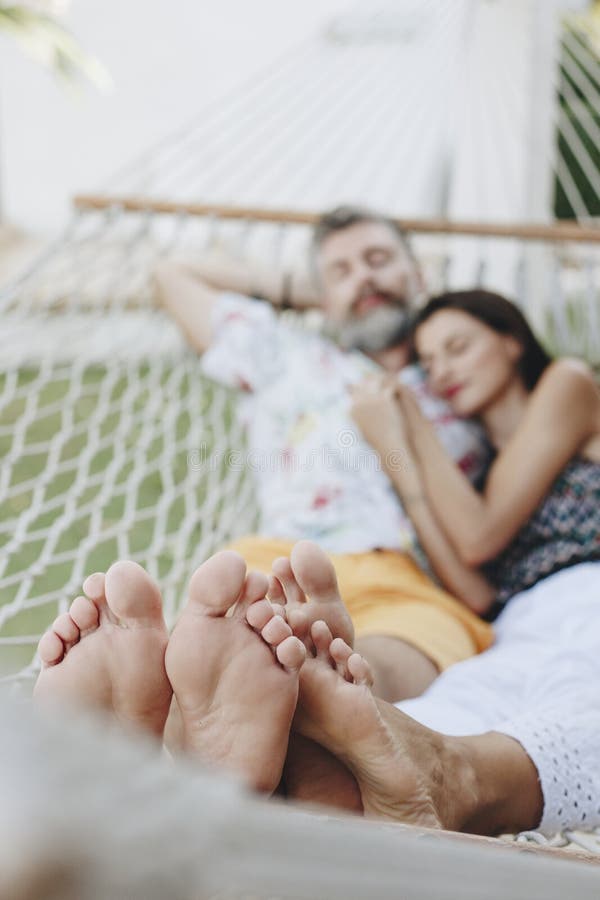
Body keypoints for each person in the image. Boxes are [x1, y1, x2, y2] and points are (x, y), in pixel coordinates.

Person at [154, 207, 493, 704]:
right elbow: (172, 274)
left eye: (378, 259)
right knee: (228, 640)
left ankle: (320, 689)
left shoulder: (466, 376)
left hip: (409, 581)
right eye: (342, 270)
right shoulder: (286, 358)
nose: (364, 275)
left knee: (382, 664)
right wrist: (321, 293)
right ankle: (283, 693)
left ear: (418, 275)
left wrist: (347, 286)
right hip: (280, 560)